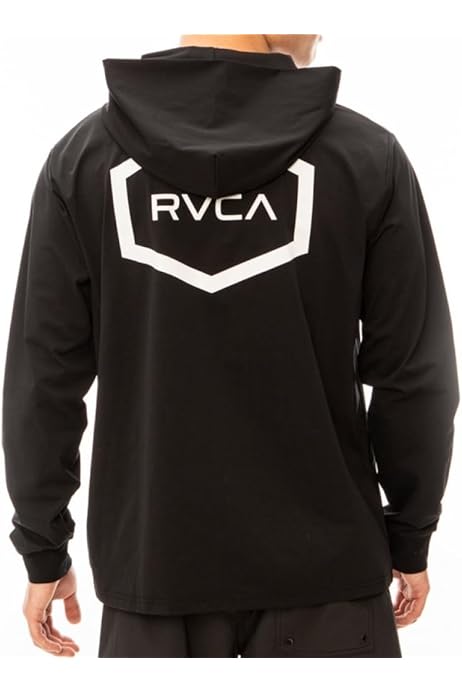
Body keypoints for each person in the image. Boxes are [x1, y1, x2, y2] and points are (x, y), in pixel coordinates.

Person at [2, 33, 459, 658]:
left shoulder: (83, 160)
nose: (319, 31)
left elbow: (42, 376)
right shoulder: (365, 157)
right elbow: (416, 374)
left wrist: (43, 545)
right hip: (330, 578)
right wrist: (410, 532)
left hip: (154, 569)